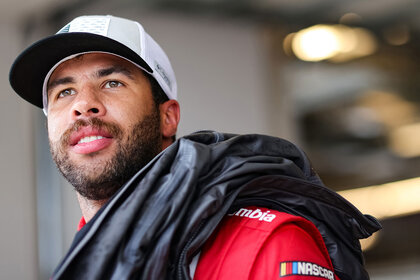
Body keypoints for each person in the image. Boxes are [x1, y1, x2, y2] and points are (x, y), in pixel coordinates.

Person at [9, 15, 381, 280]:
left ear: (168, 117)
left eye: (113, 83)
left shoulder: (268, 244)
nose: (83, 104)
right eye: (64, 92)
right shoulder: (89, 257)